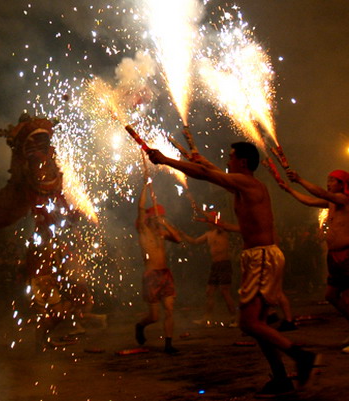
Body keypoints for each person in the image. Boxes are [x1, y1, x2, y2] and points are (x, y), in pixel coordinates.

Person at [147, 143, 319, 397]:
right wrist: (202, 161)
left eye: (230, 157)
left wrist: (165, 160)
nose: (226, 160)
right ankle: (281, 378)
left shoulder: (249, 184)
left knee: (248, 322)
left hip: (262, 257)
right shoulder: (241, 183)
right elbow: (216, 175)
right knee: (258, 324)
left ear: (243, 163)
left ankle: (303, 358)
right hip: (256, 258)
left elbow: (209, 176)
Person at [277, 168, 349, 353]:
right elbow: (310, 201)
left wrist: (300, 179)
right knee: (331, 296)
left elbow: (319, 193)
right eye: (327, 180)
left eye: (332, 180)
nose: (328, 183)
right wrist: (289, 189)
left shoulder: (344, 199)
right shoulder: (332, 202)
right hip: (334, 256)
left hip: (347, 255)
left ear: (342, 184)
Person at [134, 183, 185, 354]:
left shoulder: (161, 233)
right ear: (150, 218)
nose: (159, 219)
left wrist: (165, 224)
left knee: (170, 309)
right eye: (157, 217)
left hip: (165, 274)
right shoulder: (144, 231)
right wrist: (145, 187)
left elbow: (178, 239)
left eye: (161, 217)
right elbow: (140, 208)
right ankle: (141, 325)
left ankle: (168, 344)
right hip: (151, 276)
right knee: (154, 316)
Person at [183, 211, 237, 327]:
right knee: (210, 292)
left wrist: (201, 210)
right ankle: (206, 318)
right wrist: (182, 235)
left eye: (209, 221)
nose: (207, 223)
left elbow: (217, 222)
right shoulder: (209, 234)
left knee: (225, 291)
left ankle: (234, 318)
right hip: (215, 265)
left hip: (224, 264)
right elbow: (195, 241)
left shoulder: (221, 231)